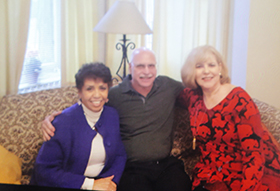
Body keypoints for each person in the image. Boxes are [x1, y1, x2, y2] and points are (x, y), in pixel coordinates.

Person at [41, 47, 192, 191]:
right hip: (133, 169)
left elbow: (197, 94)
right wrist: (52, 119)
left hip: (165, 165)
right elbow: (84, 108)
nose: (146, 71)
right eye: (140, 66)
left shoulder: (168, 87)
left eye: (151, 66)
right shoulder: (114, 95)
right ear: (130, 67)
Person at [179, 45, 280, 191]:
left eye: (211, 65)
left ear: (220, 68)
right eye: (199, 66)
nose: (206, 71)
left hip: (244, 174)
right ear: (192, 72)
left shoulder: (239, 100)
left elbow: (253, 155)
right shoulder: (193, 98)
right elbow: (172, 92)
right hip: (210, 175)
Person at [30, 63, 127, 191]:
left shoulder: (112, 115)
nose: (97, 95)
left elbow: (120, 155)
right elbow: (43, 170)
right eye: (90, 89)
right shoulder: (62, 123)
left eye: (102, 88)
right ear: (79, 92)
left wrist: (111, 182)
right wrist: (91, 185)